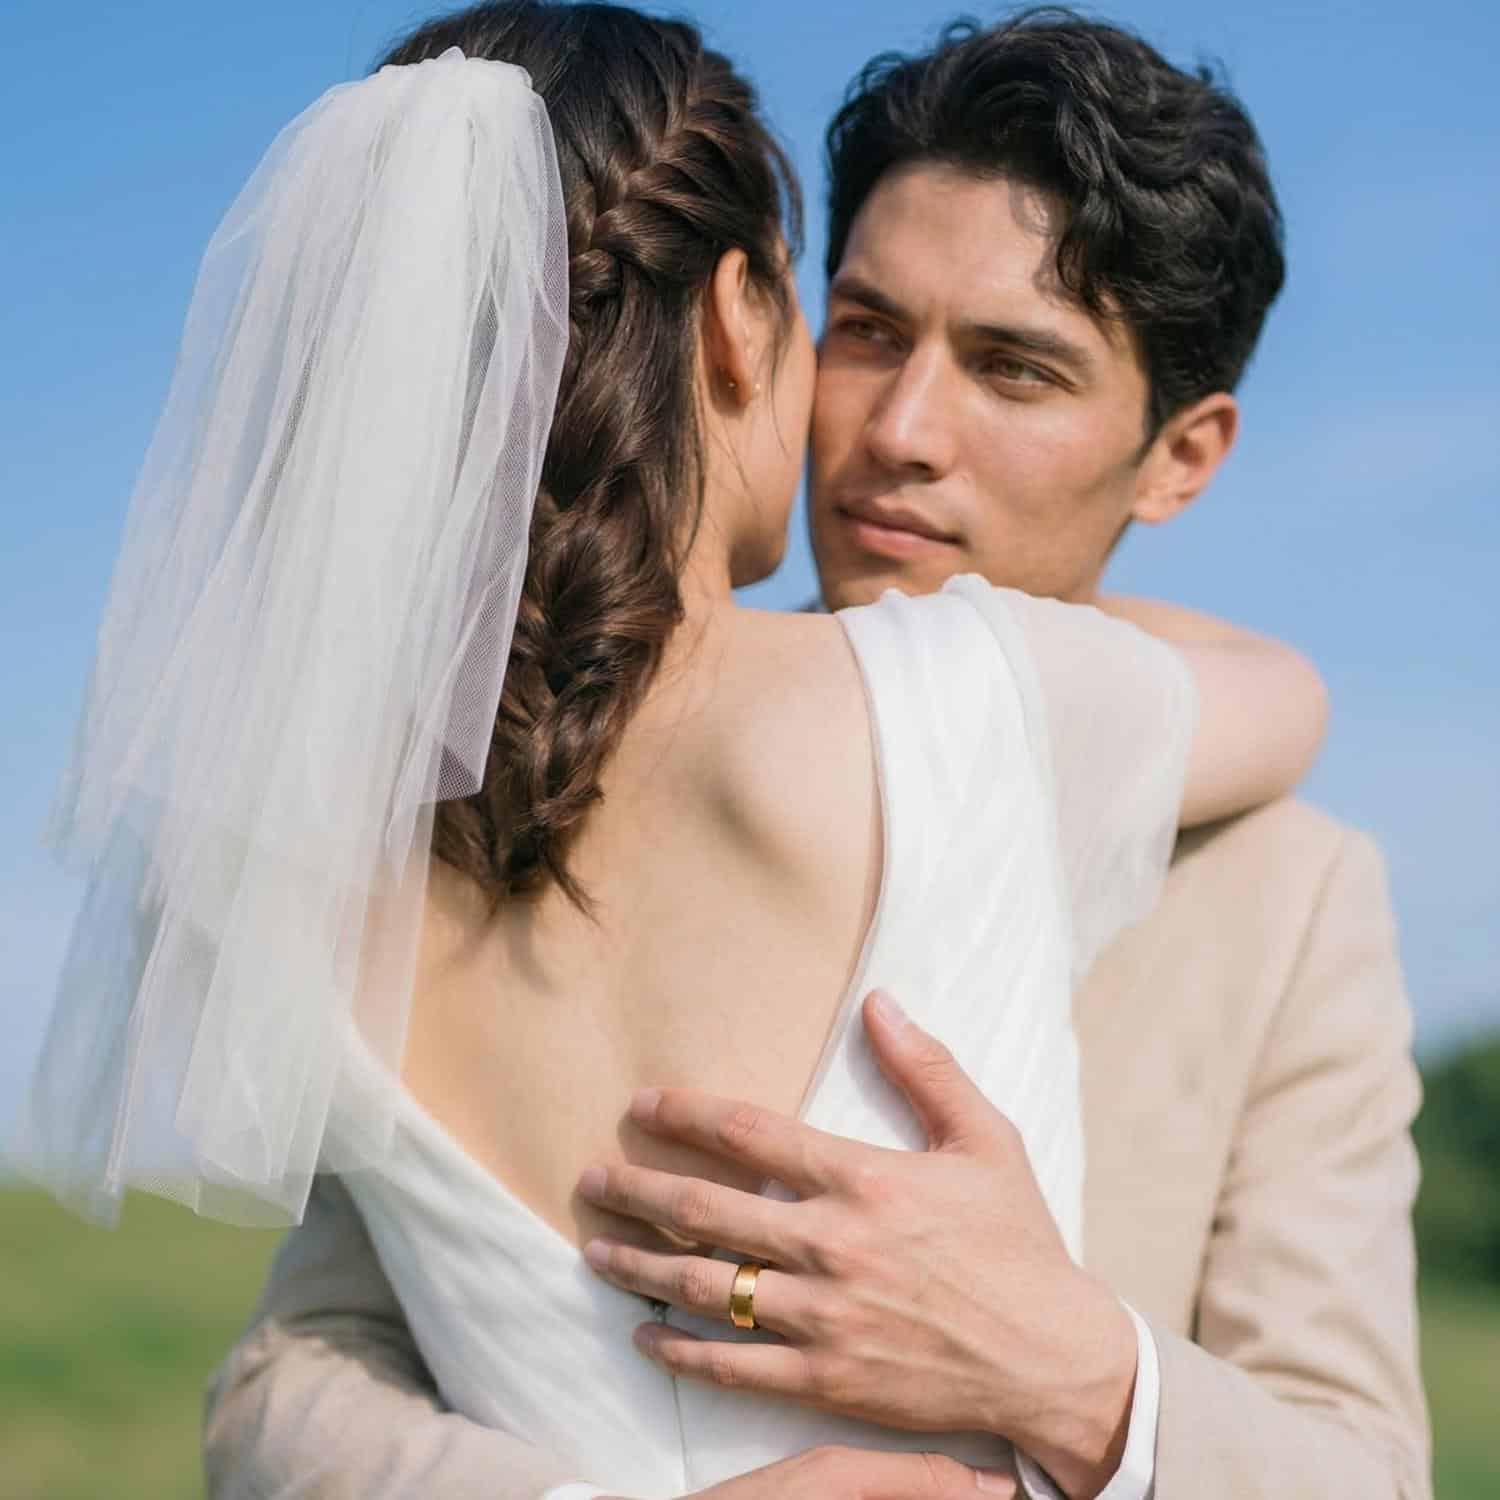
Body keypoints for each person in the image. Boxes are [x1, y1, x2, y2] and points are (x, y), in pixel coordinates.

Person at [196, 7, 1431, 1500]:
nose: (901, 430)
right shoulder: (511, 783)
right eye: (866, 331)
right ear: (762, 320)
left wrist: (1080, 1376)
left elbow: (1362, 1467)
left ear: (1181, 454)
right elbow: (286, 1383)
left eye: (1014, 370)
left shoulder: (1291, 897)